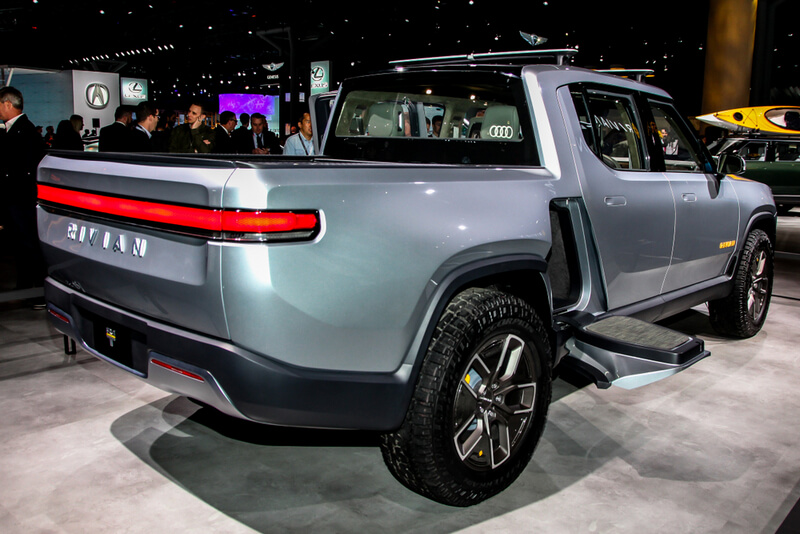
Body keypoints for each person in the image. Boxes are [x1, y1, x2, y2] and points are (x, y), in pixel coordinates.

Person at [0, 86, 46, 291]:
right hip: (16, 200)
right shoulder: (14, 129)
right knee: (21, 246)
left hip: (21, 200)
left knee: (27, 245)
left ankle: (32, 289)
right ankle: (27, 287)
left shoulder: (25, 131)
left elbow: (24, 169)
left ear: (8, 104)